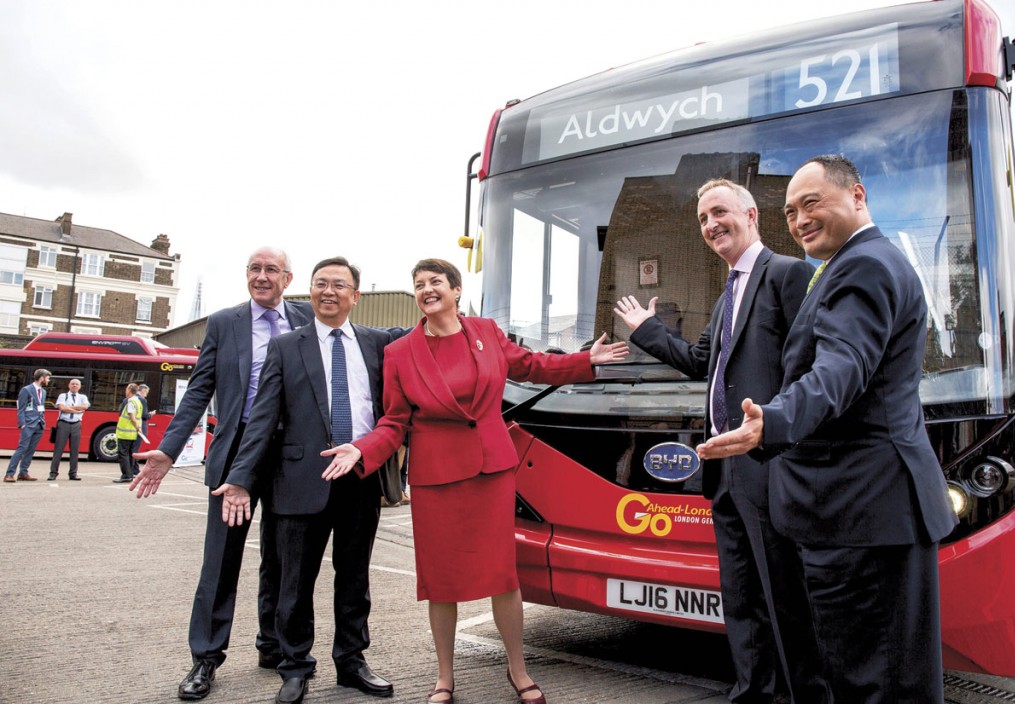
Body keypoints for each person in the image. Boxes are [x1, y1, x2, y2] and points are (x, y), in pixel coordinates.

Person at [698, 155, 958, 703]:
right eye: (790, 210)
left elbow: (842, 367)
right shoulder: (850, 264)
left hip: (863, 516)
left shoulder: (863, 266)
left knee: (875, 681)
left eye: (811, 202)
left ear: (857, 196)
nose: (798, 219)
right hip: (859, 515)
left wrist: (775, 421)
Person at [315, 258, 628, 704]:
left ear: (456, 290)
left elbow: (532, 366)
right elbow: (394, 421)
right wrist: (361, 448)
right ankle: (445, 678)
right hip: (437, 479)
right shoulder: (400, 352)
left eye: (435, 282)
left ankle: (517, 670)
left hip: (490, 472)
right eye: (419, 284)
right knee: (440, 581)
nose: (427, 289)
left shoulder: (486, 333)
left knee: (503, 576)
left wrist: (585, 361)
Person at [614, 178, 825, 704]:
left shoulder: (787, 273)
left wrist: (782, 438)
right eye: (703, 219)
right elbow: (703, 362)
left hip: (770, 466)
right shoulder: (728, 291)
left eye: (719, 212)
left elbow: (814, 369)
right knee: (742, 598)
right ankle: (752, 692)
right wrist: (646, 329)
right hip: (726, 474)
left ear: (751, 214)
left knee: (785, 599)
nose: (710, 225)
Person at [213, 256, 405, 704]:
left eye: (339, 284)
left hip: (360, 476)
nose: (328, 291)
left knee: (354, 579)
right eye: (320, 283)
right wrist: (241, 478)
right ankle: (295, 666)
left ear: (355, 296)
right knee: (294, 583)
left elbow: (439, 330)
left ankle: (352, 662)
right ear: (309, 291)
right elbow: (261, 419)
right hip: (299, 479)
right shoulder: (285, 346)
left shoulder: (379, 344)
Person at [130, 247, 313, 701]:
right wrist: (169, 451)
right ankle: (205, 659)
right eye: (255, 268)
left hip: (291, 452)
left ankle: (273, 646)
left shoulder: (308, 319)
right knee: (222, 558)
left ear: (288, 278)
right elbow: (199, 391)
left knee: (283, 557)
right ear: (246, 275)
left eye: (272, 269)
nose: (262, 276)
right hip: (235, 452)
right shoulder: (225, 323)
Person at [4, 368, 51, 482]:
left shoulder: (43, 392)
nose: (48, 380)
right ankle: (9, 474)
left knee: (31, 450)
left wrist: (42, 420)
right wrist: (22, 423)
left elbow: (40, 407)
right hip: (28, 424)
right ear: (41, 378)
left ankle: (23, 473)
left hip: (39, 424)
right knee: (22, 448)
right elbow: (21, 407)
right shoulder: (26, 390)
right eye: (47, 378)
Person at [49, 378, 90, 480]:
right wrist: (76, 411)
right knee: (58, 449)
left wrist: (70, 408)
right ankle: (53, 473)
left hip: (76, 424)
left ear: (80, 386)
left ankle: (73, 473)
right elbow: (62, 408)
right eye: (72, 384)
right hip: (63, 424)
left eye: (76, 384)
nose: (74, 385)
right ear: (69, 385)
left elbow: (85, 406)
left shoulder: (82, 397)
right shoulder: (63, 396)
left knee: (75, 450)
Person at [114, 383, 143, 483]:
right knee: (130, 454)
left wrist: (136, 425)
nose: (125, 391)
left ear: (129, 391)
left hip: (125, 432)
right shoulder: (138, 401)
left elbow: (132, 416)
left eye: (126, 389)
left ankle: (126, 475)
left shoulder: (130, 402)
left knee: (123, 454)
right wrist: (138, 427)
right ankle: (130, 474)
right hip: (132, 433)